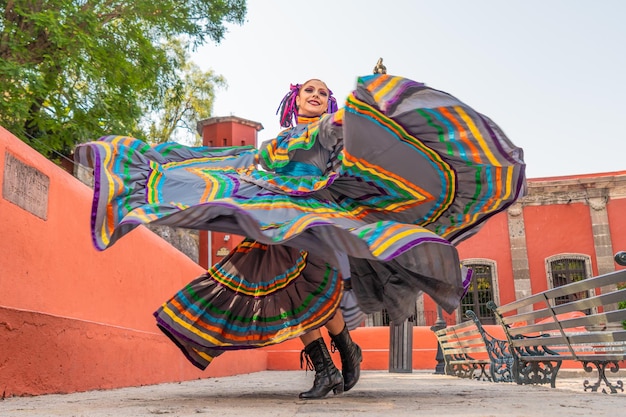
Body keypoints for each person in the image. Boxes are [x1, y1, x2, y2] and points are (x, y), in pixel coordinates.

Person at [74, 72, 526, 399]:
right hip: (277, 225)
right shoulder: (278, 144)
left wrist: (365, 113)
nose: (316, 95)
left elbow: (367, 154)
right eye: (309, 90)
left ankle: (339, 354)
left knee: (305, 293)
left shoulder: (335, 132)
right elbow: (245, 167)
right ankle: (334, 361)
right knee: (289, 295)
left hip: (319, 225)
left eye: (323, 92)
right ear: (295, 99)